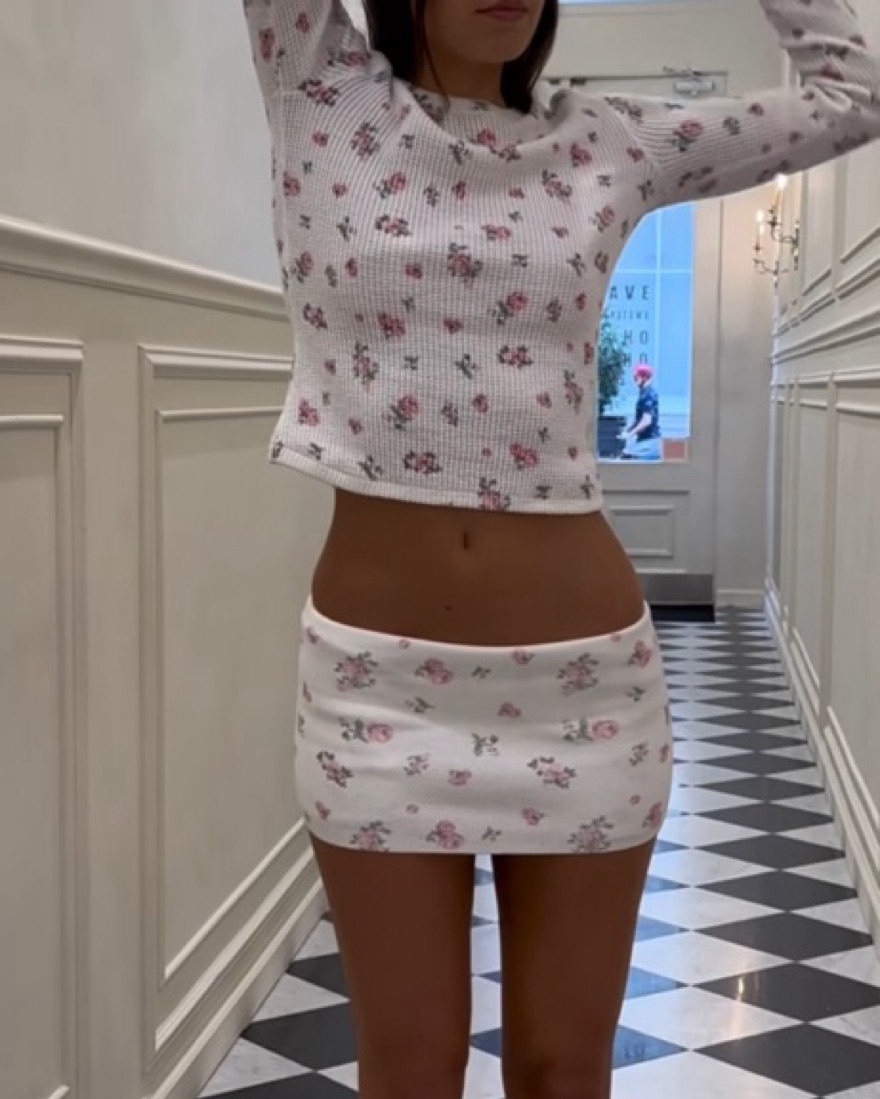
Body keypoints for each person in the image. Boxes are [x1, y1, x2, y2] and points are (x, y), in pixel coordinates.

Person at [241, 2, 880, 1096]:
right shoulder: (319, 88)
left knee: (561, 1068)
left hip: (585, 692)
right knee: (410, 1067)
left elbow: (855, 92)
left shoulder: (608, 141)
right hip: (372, 690)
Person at [620, 363, 661, 461]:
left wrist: (630, 434)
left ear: (644, 377)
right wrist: (628, 430)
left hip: (650, 441)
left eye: (636, 378)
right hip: (644, 440)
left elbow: (646, 420)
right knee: (626, 456)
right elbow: (639, 419)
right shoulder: (644, 393)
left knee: (627, 457)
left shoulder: (649, 395)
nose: (634, 381)